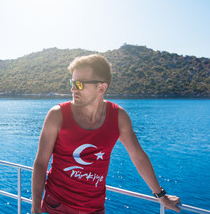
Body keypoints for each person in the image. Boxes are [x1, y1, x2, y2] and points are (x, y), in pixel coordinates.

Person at [31, 54, 181, 214]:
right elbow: (41, 162)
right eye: (72, 83)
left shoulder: (118, 117)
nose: (73, 89)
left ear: (101, 88)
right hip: (57, 206)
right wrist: (35, 209)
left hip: (94, 208)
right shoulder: (57, 115)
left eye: (80, 84)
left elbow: (138, 156)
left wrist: (161, 195)